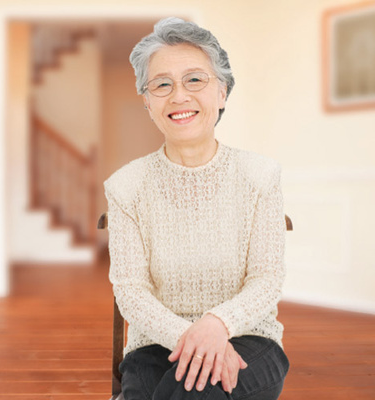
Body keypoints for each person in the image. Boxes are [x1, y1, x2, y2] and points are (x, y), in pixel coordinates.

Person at [104, 17, 289, 400]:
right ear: (147, 102)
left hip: (249, 340)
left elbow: (267, 279)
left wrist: (218, 325)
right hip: (154, 346)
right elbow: (130, 291)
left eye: (194, 80)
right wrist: (196, 337)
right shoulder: (125, 186)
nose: (179, 96)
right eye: (162, 84)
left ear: (221, 92)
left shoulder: (260, 175)